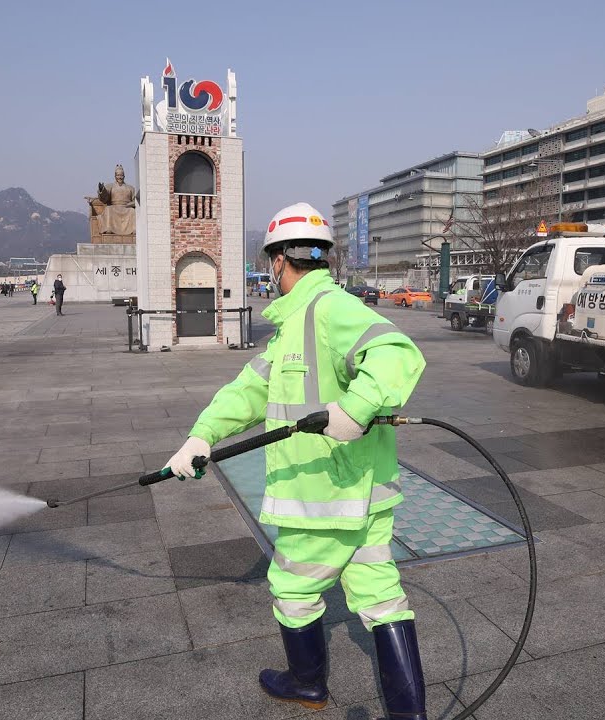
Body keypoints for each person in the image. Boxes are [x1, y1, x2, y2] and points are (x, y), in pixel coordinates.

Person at [164, 202, 428, 718]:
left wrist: (353, 410)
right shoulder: (294, 323)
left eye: (271, 262)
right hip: (364, 493)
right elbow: (250, 390)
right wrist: (201, 437)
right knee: (380, 596)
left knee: (292, 588)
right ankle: (409, 714)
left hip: (321, 496)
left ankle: (307, 684)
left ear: (279, 261)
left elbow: (397, 353)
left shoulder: (327, 309)